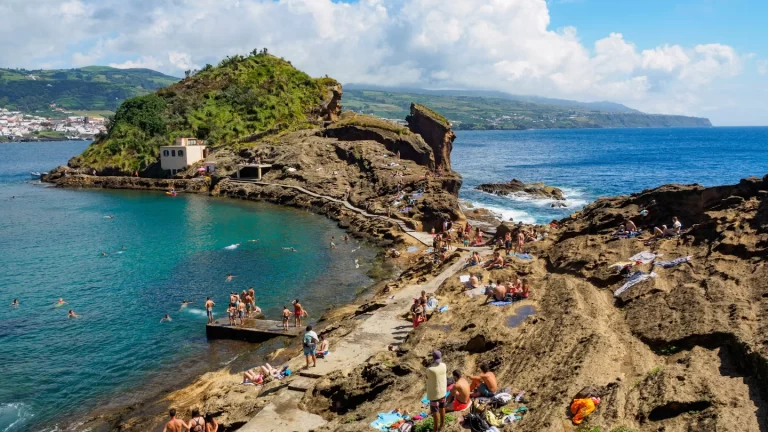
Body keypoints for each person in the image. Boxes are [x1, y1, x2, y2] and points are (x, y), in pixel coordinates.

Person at [426, 350, 447, 432]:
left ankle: (435, 430)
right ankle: (442, 425)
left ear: (433, 358)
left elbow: (427, 377)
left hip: (435, 394)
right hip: (443, 392)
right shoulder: (444, 365)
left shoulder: (430, 369)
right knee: (442, 408)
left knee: (435, 412)